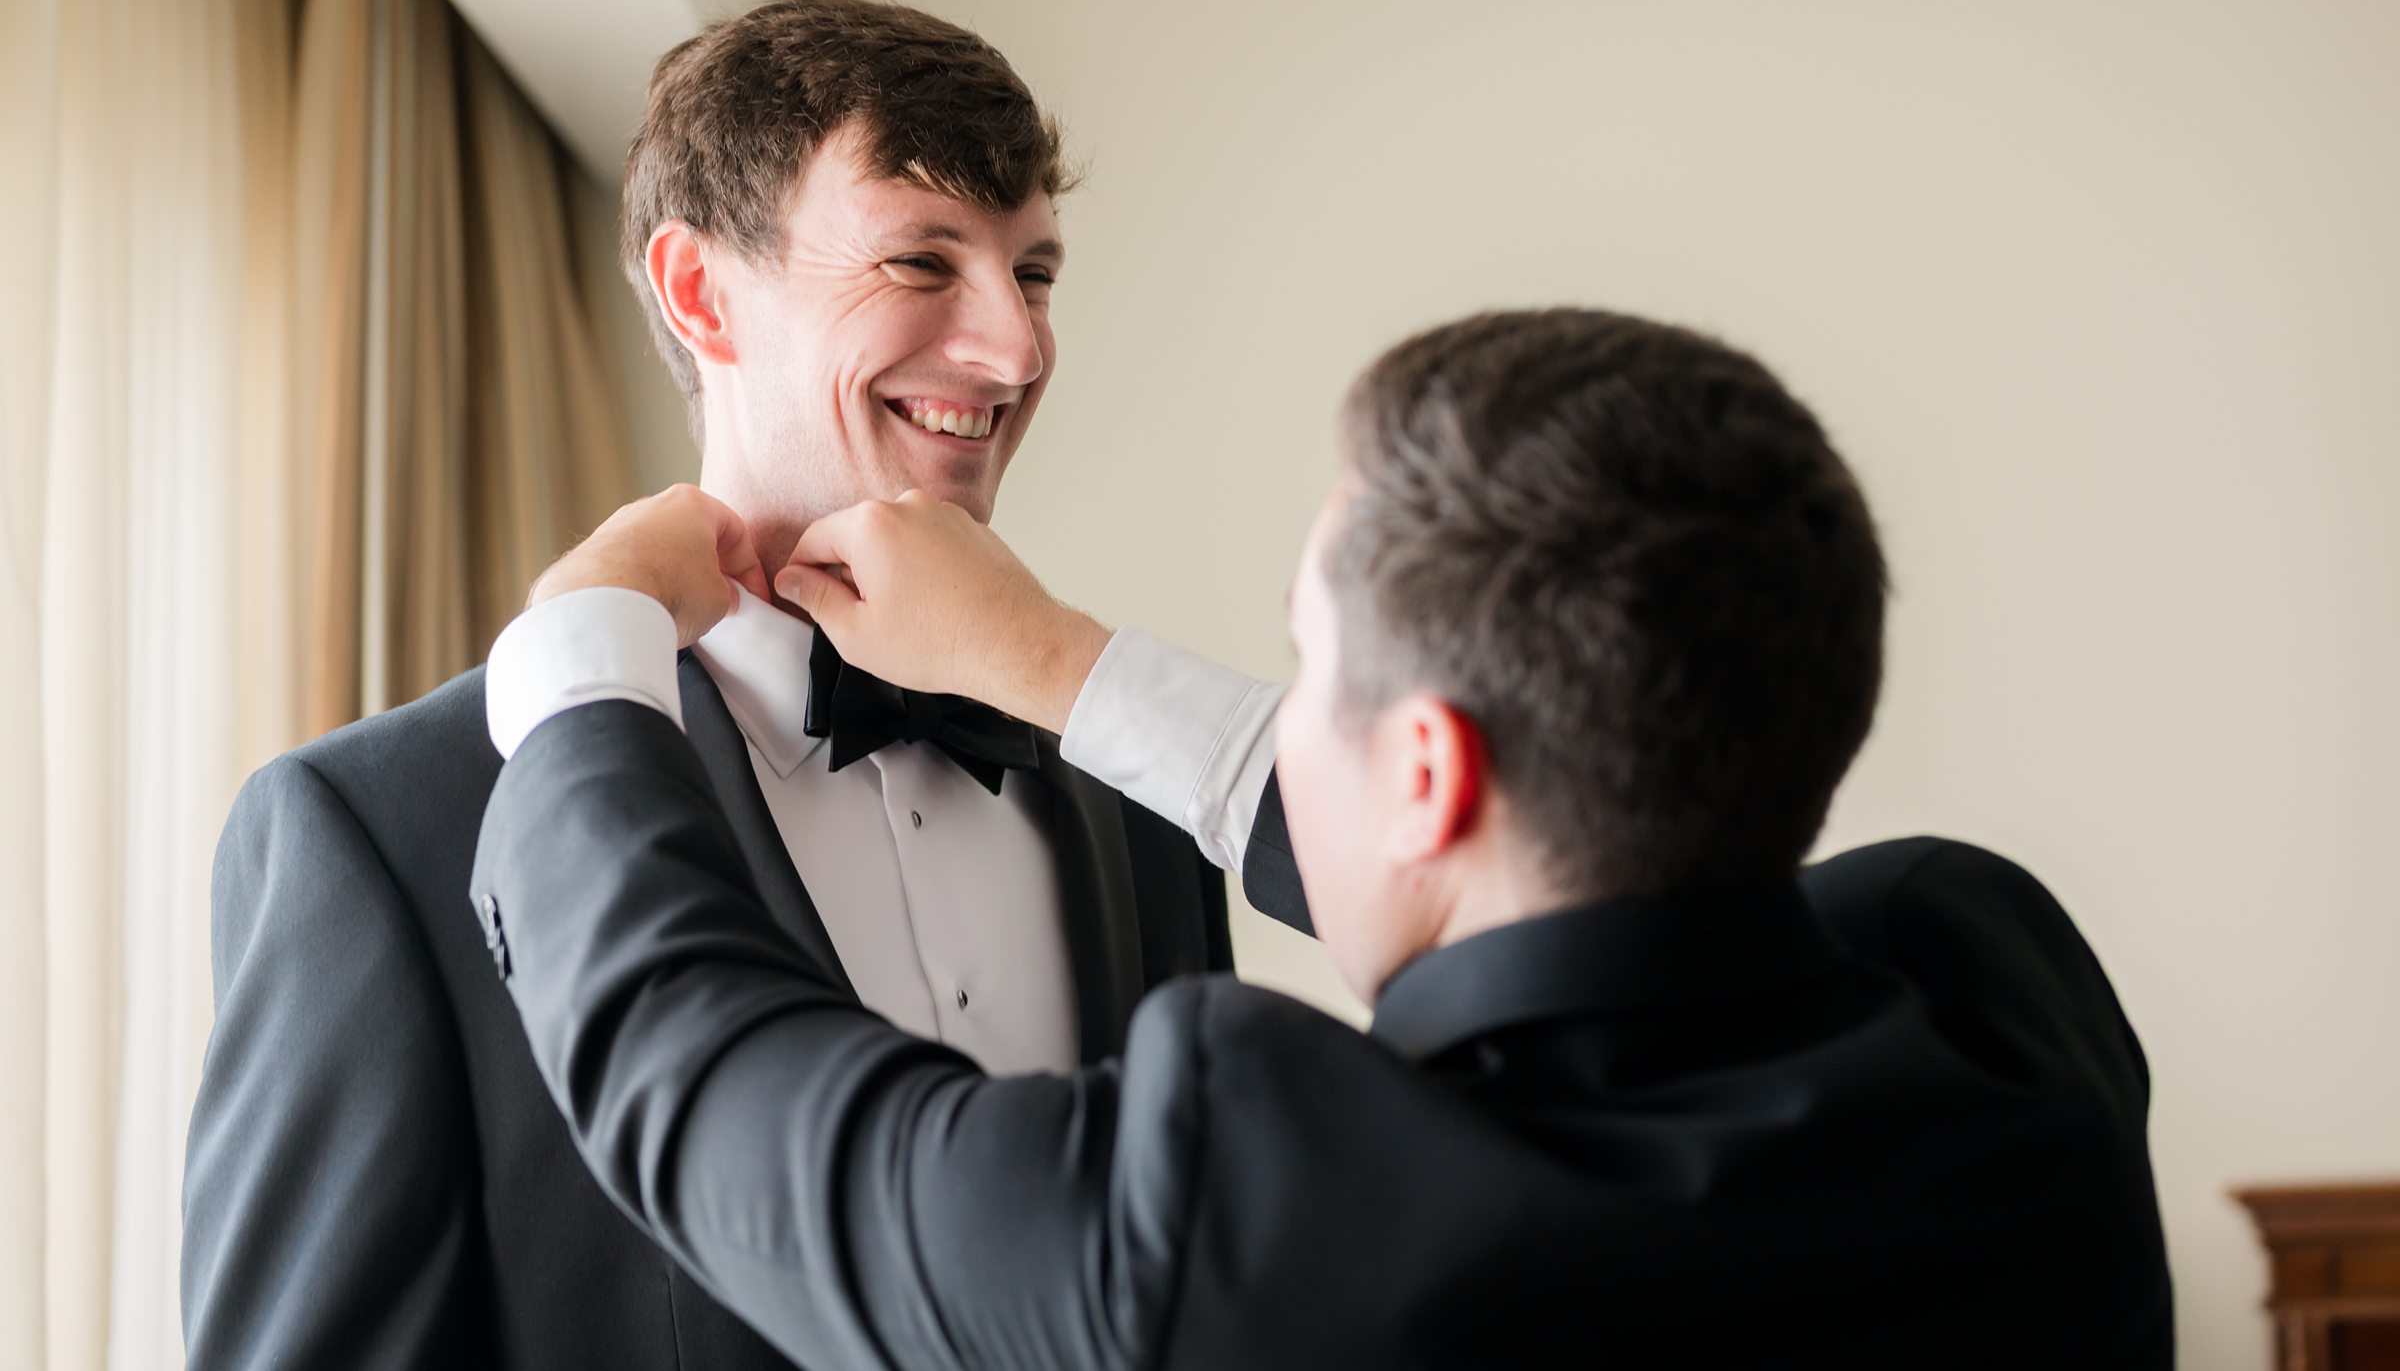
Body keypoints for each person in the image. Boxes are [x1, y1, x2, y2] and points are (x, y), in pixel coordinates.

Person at [471, 307, 2176, 1369]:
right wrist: (1052, 663)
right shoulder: (1998, 991)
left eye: (1307, 667)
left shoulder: (1257, 1229)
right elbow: (1586, 879)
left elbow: (699, 1080)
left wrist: (579, 649)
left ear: (1429, 776)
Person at [182, 0, 1268, 1371]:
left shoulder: (1132, 782)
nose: (1018, 348)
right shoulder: (383, 831)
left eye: (1036, 274)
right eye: (924, 259)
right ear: (701, 293)